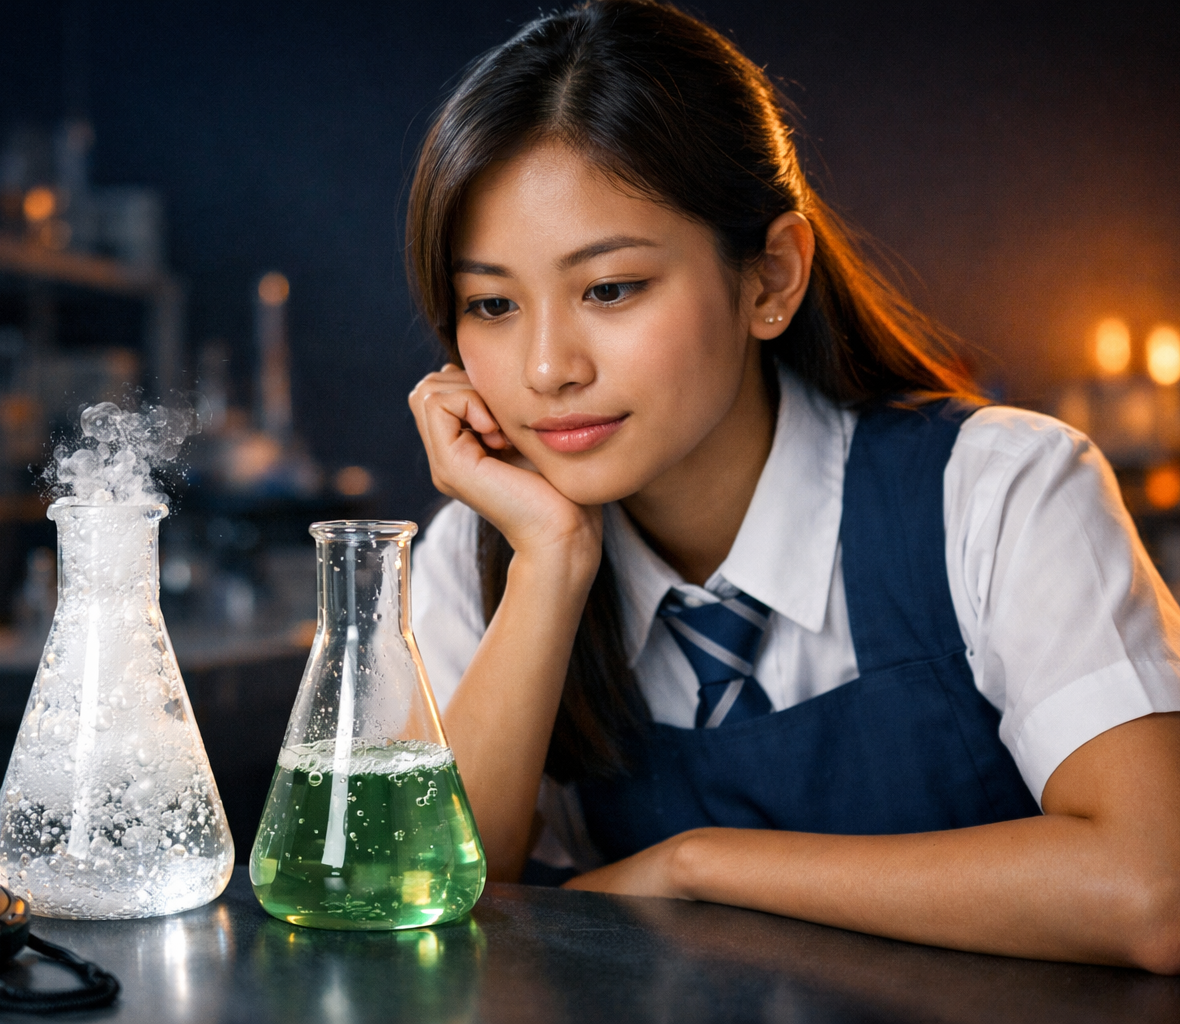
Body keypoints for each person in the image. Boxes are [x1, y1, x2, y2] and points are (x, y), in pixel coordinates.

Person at [404, 0, 1180, 971]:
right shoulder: (481, 558)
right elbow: (417, 919)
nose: (548, 367)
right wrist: (551, 567)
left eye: (609, 288)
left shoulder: (999, 490)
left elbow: (1154, 888)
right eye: (492, 304)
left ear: (770, 276)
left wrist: (698, 867)